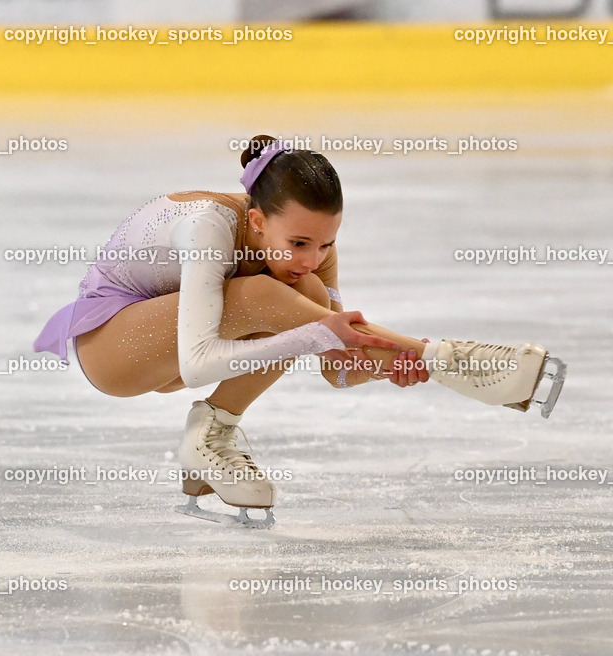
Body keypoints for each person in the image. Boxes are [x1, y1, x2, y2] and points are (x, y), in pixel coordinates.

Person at [34, 135, 565, 528]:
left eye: (327, 243)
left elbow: (337, 365)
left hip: (176, 347)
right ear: (259, 222)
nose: (314, 256)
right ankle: (454, 361)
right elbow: (198, 362)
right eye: (302, 242)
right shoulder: (207, 229)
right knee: (273, 298)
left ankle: (210, 434)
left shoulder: (306, 255)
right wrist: (371, 345)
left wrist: (395, 366)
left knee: (303, 297)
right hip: (111, 347)